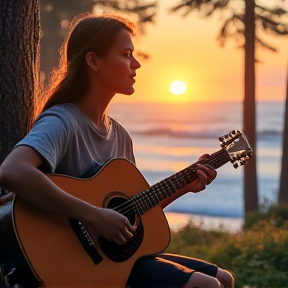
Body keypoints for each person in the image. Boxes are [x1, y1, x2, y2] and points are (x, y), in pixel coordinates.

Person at [0, 13, 234, 288]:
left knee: (223, 279)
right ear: (93, 60)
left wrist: (185, 185)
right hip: (72, 266)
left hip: (111, 259)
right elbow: (12, 170)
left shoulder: (121, 136)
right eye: (126, 54)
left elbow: (133, 211)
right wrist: (93, 215)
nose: (136, 64)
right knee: (206, 286)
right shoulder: (63, 121)